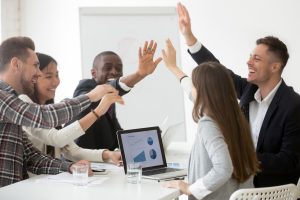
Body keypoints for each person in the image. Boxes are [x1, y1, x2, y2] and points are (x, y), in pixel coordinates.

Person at [176, 2, 300, 187]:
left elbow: (289, 161)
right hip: (239, 185)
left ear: (275, 67)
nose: (248, 62)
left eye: (256, 59)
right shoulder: (249, 90)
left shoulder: (293, 105)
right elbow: (216, 71)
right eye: (250, 56)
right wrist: (189, 36)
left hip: (270, 191)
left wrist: (242, 158)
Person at [0, 36, 112, 187]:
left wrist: (69, 166)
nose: (38, 73)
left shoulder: (13, 106)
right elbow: (44, 116)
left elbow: (31, 157)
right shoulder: (2, 98)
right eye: (35, 65)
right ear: (16, 64)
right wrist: (91, 97)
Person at [161, 39, 259, 200]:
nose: (192, 90)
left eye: (194, 85)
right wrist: (173, 67)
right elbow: (190, 91)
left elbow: (223, 169)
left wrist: (190, 188)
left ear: (203, 92)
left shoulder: (209, 123)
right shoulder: (235, 116)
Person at [20, 52, 124, 165]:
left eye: (57, 75)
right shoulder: (23, 102)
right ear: (33, 78)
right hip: (30, 181)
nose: (56, 82)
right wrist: (98, 111)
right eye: (48, 76)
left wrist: (109, 154)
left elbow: (73, 151)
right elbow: (57, 138)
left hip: (47, 180)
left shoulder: (49, 110)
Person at [71, 40, 162, 151]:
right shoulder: (85, 88)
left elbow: (116, 130)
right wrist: (139, 74)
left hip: (104, 161)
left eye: (118, 69)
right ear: (93, 73)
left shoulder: (111, 97)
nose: (114, 72)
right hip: (83, 161)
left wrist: (145, 141)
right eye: (107, 68)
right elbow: (107, 89)